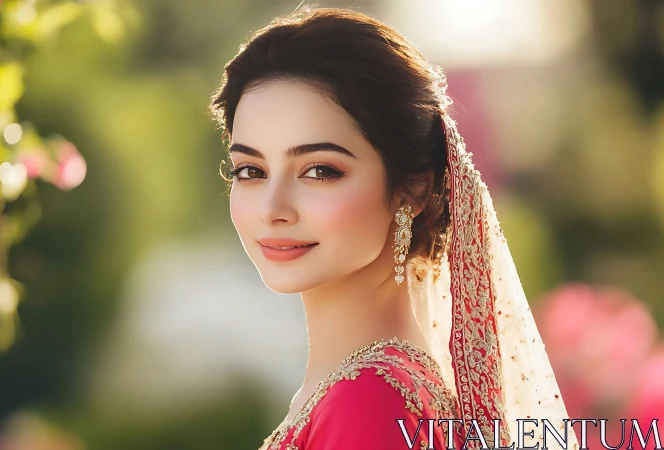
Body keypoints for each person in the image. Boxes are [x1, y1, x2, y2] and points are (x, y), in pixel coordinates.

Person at [209, 7, 580, 450]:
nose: (273, 209)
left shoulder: (365, 401)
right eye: (250, 171)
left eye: (320, 171)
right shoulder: (375, 389)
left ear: (412, 189)